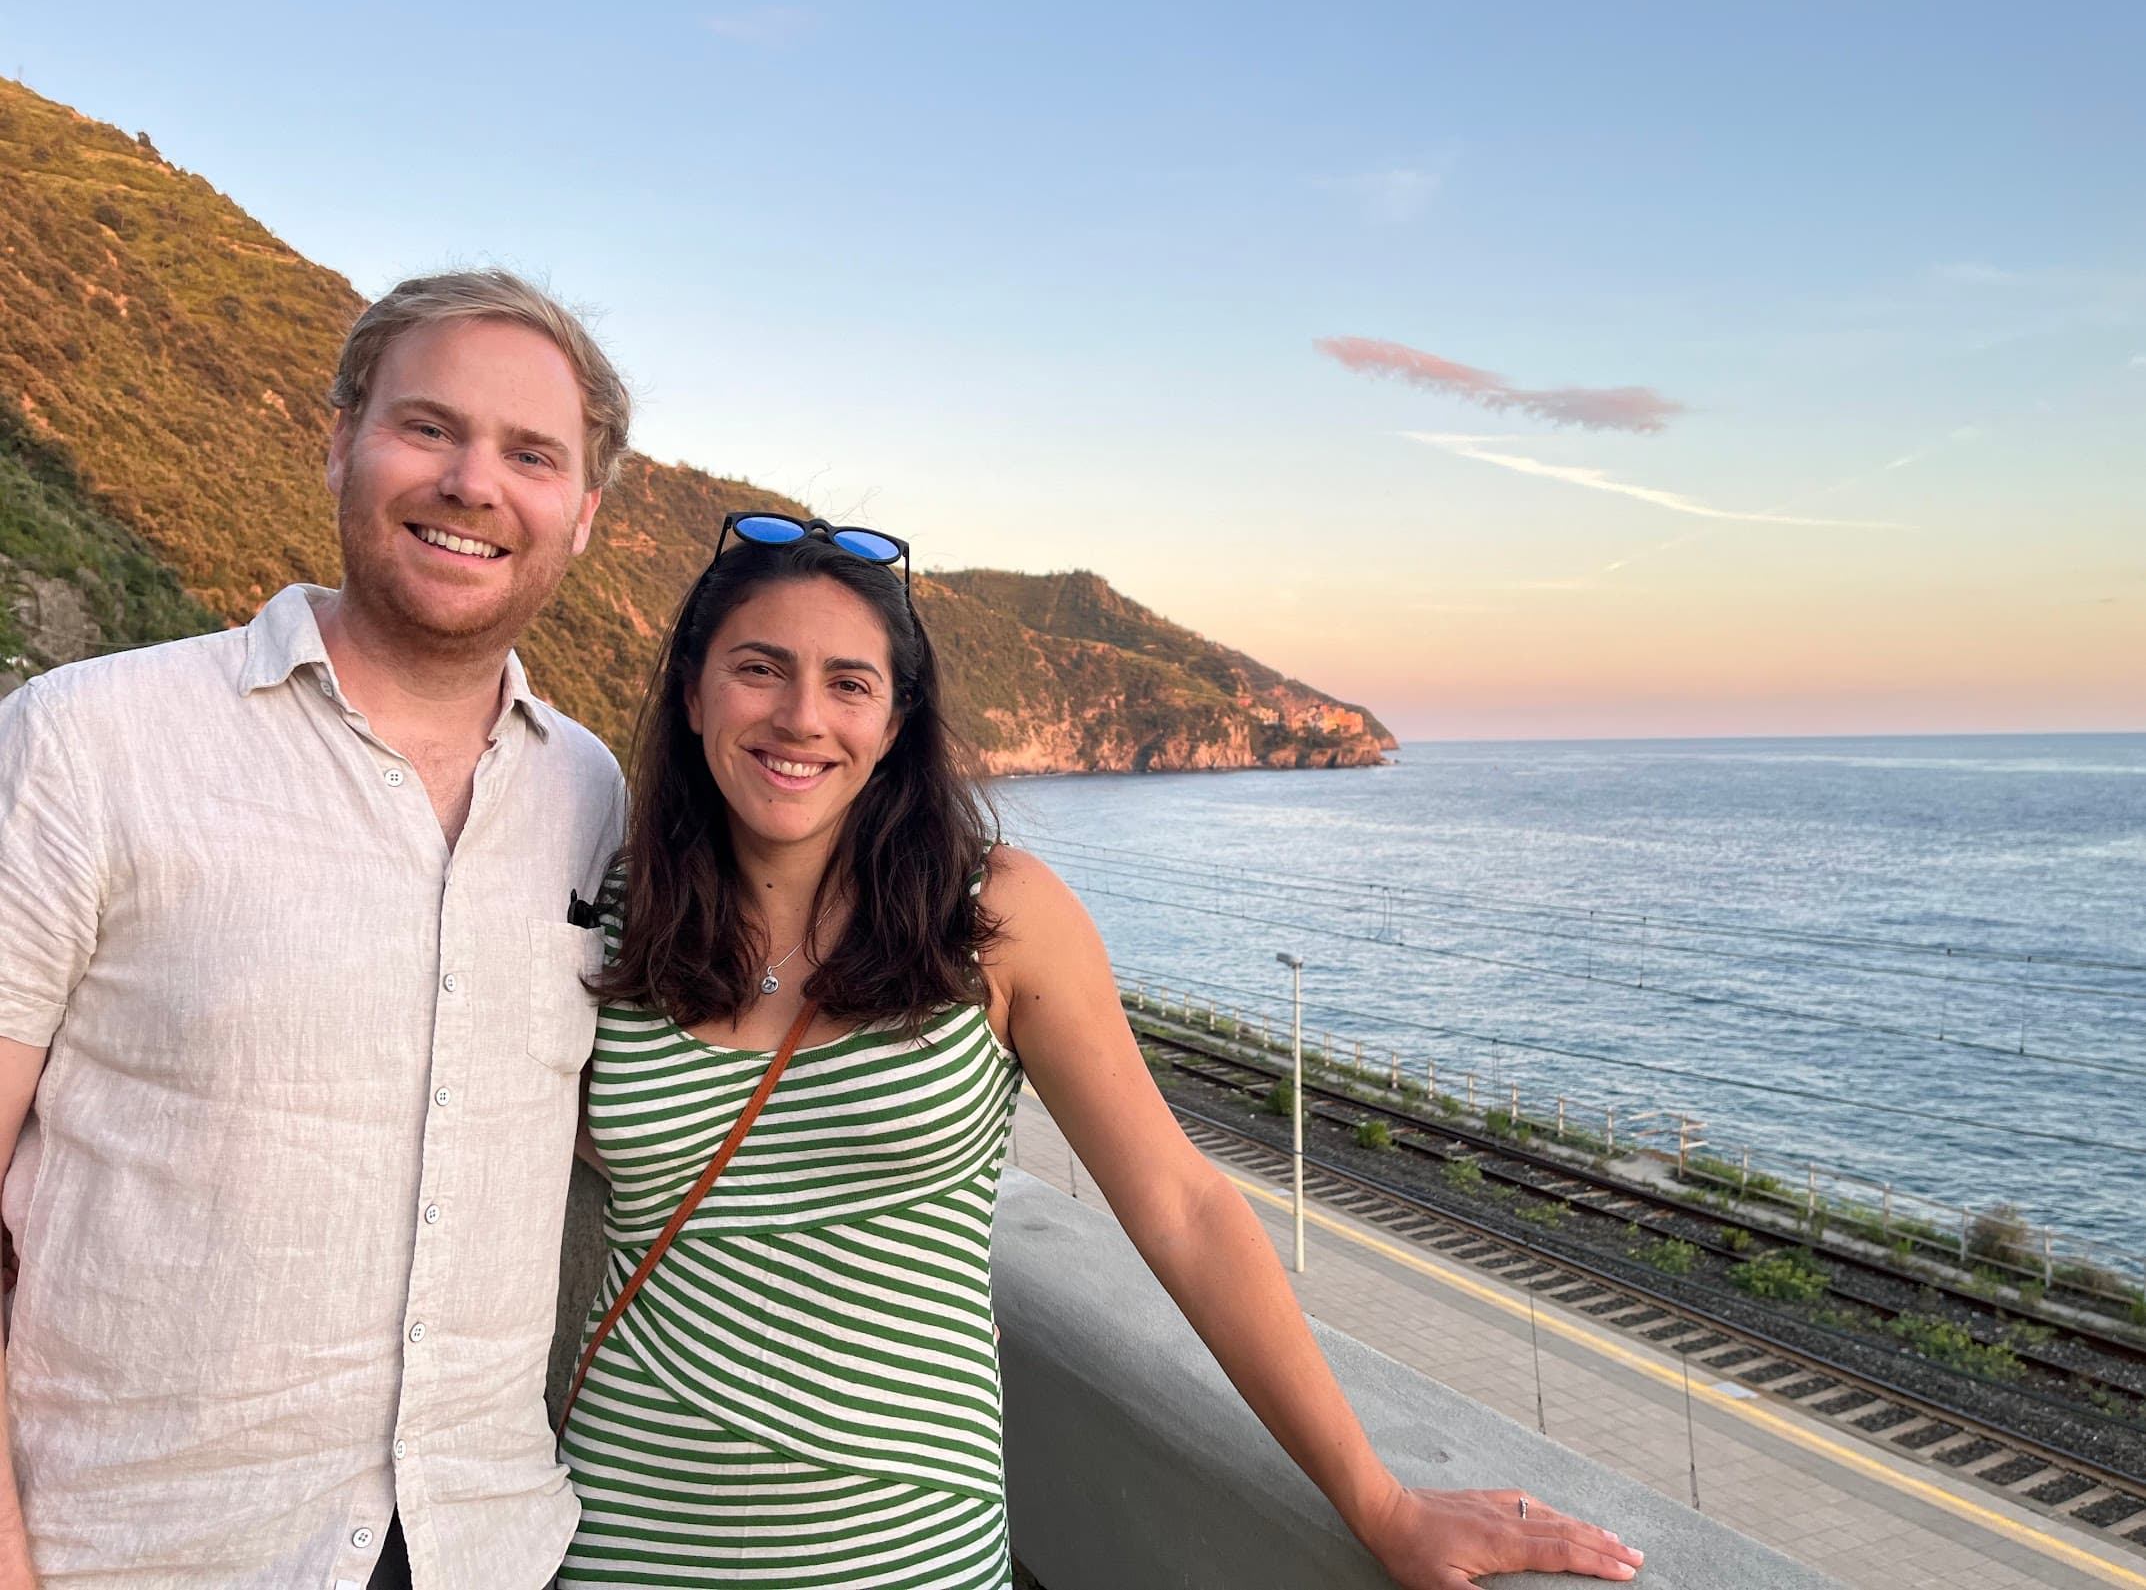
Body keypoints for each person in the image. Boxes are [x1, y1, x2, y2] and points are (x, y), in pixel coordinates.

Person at [556, 513, 1645, 1588]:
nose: (802, 716)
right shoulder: (604, 917)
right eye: (760, 669)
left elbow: (1182, 1206)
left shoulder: (993, 916)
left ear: (892, 725)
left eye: (849, 682)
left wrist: (1380, 1499)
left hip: (903, 1555)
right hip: (624, 1538)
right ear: (694, 692)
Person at [0, 269, 630, 1589]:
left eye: (530, 454)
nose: (473, 482)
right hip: (143, 1551)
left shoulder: (591, 793)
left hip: (489, 1544)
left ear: (580, 512)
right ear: (339, 436)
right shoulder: (86, 742)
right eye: (427, 427)